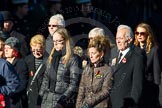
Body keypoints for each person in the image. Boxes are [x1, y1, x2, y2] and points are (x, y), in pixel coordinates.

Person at [37, 27, 82, 108]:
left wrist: (62, 102)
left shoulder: (73, 59)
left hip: (61, 101)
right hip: (46, 100)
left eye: (59, 41)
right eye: (54, 41)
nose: (56, 44)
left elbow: (74, 84)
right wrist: (39, 100)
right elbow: (45, 81)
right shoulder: (52, 57)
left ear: (66, 41)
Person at [109, 24, 145, 108]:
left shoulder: (137, 58)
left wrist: (132, 104)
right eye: (117, 38)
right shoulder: (113, 52)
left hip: (125, 103)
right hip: (110, 102)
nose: (117, 41)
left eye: (121, 38)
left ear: (129, 40)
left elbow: (137, 86)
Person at [76, 36, 113, 108]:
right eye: (90, 53)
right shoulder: (87, 68)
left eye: (93, 53)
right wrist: (78, 105)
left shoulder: (107, 70)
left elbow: (106, 91)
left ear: (101, 54)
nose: (91, 56)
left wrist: (90, 102)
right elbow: (81, 88)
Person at [134, 22, 161, 108]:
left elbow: (157, 75)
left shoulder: (154, 50)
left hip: (148, 89)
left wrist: (157, 97)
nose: (139, 35)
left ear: (148, 34)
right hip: (135, 88)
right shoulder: (133, 49)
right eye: (137, 33)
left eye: (142, 33)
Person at [4, 37, 29, 108]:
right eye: (5, 48)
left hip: (15, 102)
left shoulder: (21, 63)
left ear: (15, 50)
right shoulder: (3, 63)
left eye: (9, 48)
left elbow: (22, 85)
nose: (6, 50)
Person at [25, 34, 47, 108]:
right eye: (33, 50)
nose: (35, 52)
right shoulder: (27, 59)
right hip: (30, 97)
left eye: (38, 50)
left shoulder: (50, 60)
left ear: (43, 47)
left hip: (43, 97)